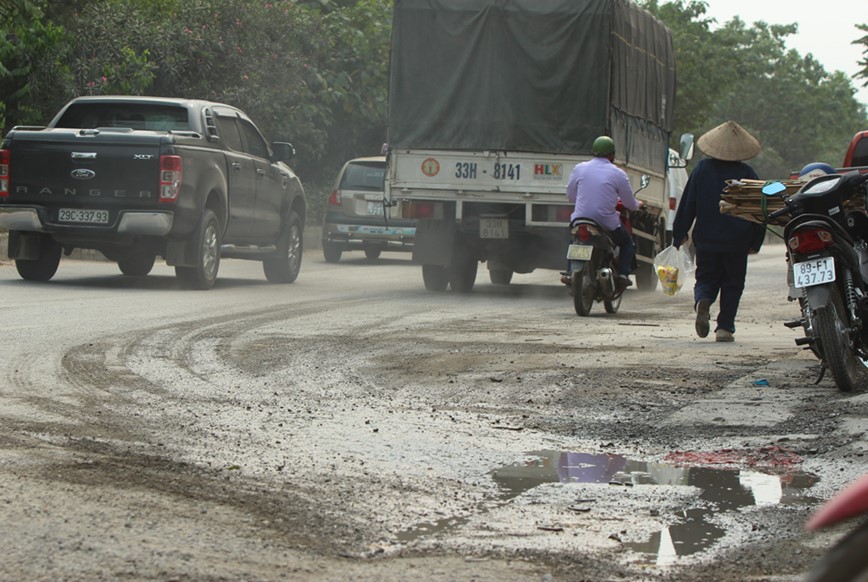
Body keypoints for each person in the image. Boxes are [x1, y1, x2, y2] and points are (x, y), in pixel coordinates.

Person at [672, 121, 766, 343]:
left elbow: (688, 203)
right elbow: (758, 209)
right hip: (737, 240)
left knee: (705, 278)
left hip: (706, 239)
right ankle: (724, 328)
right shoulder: (747, 173)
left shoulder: (702, 169)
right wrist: (757, 240)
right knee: (733, 283)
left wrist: (680, 232)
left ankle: (703, 300)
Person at [565, 135, 641, 289]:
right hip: (605, 221)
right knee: (627, 243)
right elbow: (629, 203)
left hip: (580, 219)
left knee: (574, 240)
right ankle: (622, 275)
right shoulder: (618, 173)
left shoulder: (580, 168)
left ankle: (568, 272)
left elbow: (570, 196)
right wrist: (638, 204)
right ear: (612, 154)